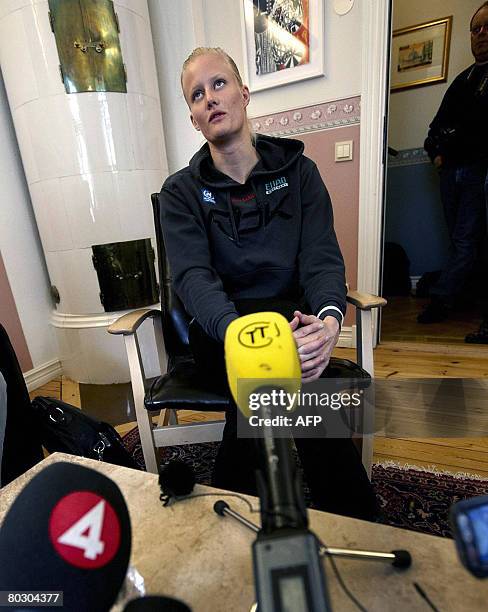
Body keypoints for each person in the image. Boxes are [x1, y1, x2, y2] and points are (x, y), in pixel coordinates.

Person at [159, 47, 377, 520]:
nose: (210, 98)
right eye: (197, 95)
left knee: (277, 353)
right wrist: (241, 333)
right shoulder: (179, 194)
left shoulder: (301, 173)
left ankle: (232, 509)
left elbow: (322, 259)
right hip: (220, 333)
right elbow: (193, 276)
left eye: (219, 84)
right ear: (194, 120)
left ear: (244, 92)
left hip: (292, 326)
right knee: (270, 356)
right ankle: (355, 519)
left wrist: (327, 321)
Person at [419, 3, 488, 327]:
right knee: (461, 240)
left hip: (479, 172)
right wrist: (438, 155)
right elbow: (433, 132)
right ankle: (456, 295)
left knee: (466, 239)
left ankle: (442, 300)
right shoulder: (463, 81)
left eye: (487, 27)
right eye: (475, 29)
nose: (481, 34)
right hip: (452, 173)